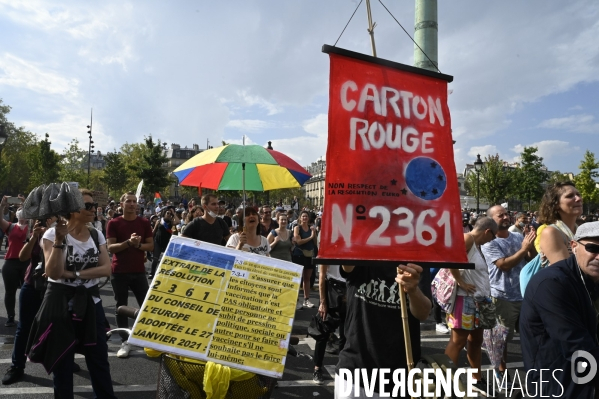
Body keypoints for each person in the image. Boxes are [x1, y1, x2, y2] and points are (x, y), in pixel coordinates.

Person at [27, 189, 116, 399]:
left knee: (99, 358)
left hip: (90, 302)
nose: (94, 209)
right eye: (88, 206)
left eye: (94, 205)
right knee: (63, 362)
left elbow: (106, 269)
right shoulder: (52, 234)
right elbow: (54, 272)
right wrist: (59, 240)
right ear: (72, 210)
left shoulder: (96, 233)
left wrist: (74, 273)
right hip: (59, 302)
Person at [520, 221, 599, 398]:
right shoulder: (553, 283)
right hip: (558, 385)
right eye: (593, 248)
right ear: (574, 246)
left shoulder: (589, 278)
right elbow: (576, 346)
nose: (598, 257)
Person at [335, 264, 432, 398]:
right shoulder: (360, 252)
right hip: (354, 371)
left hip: (398, 376)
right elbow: (347, 264)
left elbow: (423, 313)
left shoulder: (415, 256)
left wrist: (413, 290)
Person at [2, 216, 67, 385]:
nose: (49, 221)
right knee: (24, 328)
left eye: (54, 217)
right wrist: (34, 236)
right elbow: (23, 257)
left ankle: (65, 361)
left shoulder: (66, 232)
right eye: (46, 218)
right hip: (32, 284)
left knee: (60, 327)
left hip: (59, 288)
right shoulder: (37, 234)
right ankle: (17, 366)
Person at [482, 205, 536, 383]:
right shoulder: (489, 243)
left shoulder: (518, 236)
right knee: (502, 339)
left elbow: (530, 257)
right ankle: (501, 370)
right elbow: (503, 265)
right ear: (491, 221)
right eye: (500, 215)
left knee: (531, 334)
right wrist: (523, 248)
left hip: (524, 294)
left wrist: (530, 245)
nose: (506, 217)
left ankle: (534, 368)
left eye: (506, 214)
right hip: (502, 297)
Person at [444, 217, 498, 388]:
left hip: (478, 300)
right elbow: (451, 258)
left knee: (475, 340)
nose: (493, 240)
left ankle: (477, 378)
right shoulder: (468, 238)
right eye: (493, 236)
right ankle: (441, 381)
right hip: (464, 299)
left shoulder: (477, 245)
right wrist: (460, 281)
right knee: (458, 341)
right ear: (488, 231)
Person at [106, 192, 154, 358]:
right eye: (129, 201)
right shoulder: (113, 223)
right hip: (119, 271)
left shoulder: (144, 222)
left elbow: (151, 246)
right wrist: (128, 243)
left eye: (134, 201)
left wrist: (138, 245)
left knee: (146, 306)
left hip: (139, 270)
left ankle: (147, 339)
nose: (132, 204)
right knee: (121, 306)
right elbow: (111, 248)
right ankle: (125, 341)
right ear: (122, 203)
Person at [312, 264, 347, 385]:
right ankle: (317, 368)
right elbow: (322, 274)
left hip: (349, 288)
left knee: (345, 334)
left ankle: (343, 368)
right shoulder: (329, 245)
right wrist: (322, 302)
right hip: (331, 289)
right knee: (323, 332)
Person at [535, 181, 582, 267]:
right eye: (570, 196)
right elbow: (568, 272)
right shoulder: (551, 232)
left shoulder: (581, 231)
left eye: (578, 194)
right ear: (556, 205)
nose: (578, 199)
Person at [0, 197, 30, 327]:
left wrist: (26, 202)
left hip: (27, 262)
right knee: (10, 291)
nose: (22, 217)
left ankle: (26, 316)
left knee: (28, 291)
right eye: (20, 214)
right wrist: (1, 206)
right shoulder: (11, 226)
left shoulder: (32, 227)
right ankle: (10, 317)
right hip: (11, 262)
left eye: (24, 214)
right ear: (17, 216)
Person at [293, 210, 318, 308]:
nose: (304, 218)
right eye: (303, 216)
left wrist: (314, 233)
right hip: (299, 254)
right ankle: (296, 300)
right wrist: (311, 236)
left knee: (307, 278)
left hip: (309, 254)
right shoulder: (297, 228)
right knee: (298, 278)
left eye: (306, 216)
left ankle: (306, 299)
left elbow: (315, 243)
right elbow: (298, 242)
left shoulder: (311, 229)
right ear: (300, 218)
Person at [150, 207, 180, 278]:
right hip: (158, 242)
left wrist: (174, 213)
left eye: (170, 214)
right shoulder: (159, 221)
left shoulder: (171, 222)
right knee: (155, 259)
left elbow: (178, 222)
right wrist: (150, 241)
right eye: (168, 213)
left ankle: (165, 273)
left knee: (167, 259)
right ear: (164, 214)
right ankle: (152, 273)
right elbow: (154, 232)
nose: (169, 215)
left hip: (167, 242)